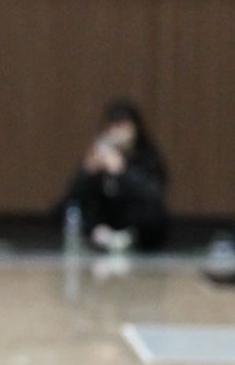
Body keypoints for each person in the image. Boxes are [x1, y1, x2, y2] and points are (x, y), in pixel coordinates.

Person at [54, 98, 169, 253]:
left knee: (153, 215)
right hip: (105, 217)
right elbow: (75, 195)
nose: (118, 132)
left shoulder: (147, 154)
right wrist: (87, 170)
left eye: (124, 125)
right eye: (115, 125)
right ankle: (100, 237)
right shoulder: (100, 152)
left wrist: (122, 171)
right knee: (66, 209)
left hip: (133, 217)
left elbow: (153, 194)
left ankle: (128, 239)